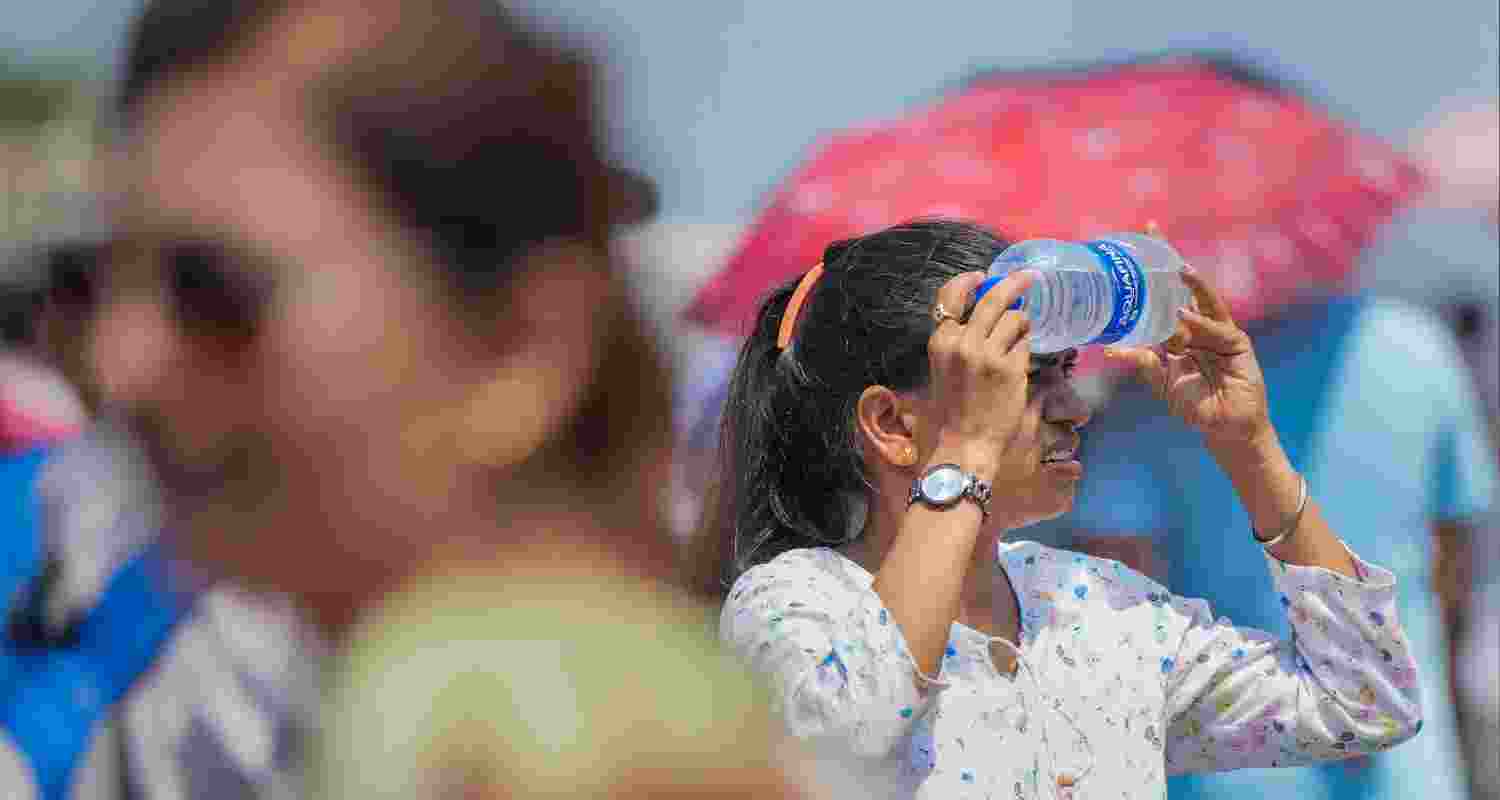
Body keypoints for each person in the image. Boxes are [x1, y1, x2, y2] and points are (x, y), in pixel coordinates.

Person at [93, 0, 805, 797]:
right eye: (98, 285)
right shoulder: (653, 684)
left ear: (520, 348)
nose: (120, 359)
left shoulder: (460, 713)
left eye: (212, 290)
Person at [712, 219, 1425, 799]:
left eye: (1066, 372)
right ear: (893, 426)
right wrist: (963, 458)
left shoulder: (1099, 607)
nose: (1072, 409)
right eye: (1021, 377)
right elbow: (848, 733)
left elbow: (1364, 701)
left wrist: (1250, 448)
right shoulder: (794, 606)